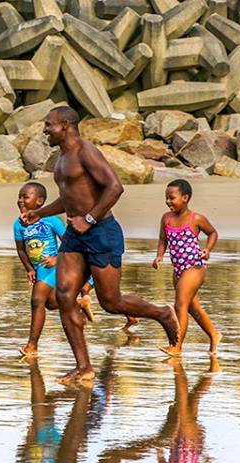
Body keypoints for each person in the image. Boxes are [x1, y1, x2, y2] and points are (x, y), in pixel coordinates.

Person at [21, 106, 179, 382]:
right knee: (65, 295)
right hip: (74, 235)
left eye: (49, 124)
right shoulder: (61, 158)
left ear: (66, 125)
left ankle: (163, 314)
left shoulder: (85, 152)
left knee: (111, 302)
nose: (45, 129)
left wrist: (90, 219)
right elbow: (71, 198)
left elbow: (115, 187)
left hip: (101, 232)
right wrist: (40, 212)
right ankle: (84, 367)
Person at [13, 182, 132, 357]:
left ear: (40, 201)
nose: (20, 200)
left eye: (25, 196)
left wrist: (57, 259)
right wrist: (29, 268)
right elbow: (21, 249)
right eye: (19, 196)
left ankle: (32, 345)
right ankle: (82, 304)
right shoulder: (18, 224)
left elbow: (68, 240)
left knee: (37, 300)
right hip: (39, 269)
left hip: (54, 266)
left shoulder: (51, 220)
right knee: (52, 303)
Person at [153, 179, 222, 356]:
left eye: (172, 198)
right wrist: (159, 255)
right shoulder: (166, 218)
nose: (168, 201)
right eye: (166, 197)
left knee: (180, 304)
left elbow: (213, 233)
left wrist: (207, 249)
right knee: (193, 308)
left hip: (195, 268)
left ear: (185, 198)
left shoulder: (195, 218)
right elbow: (163, 240)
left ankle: (177, 346)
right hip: (178, 270)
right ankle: (214, 335)